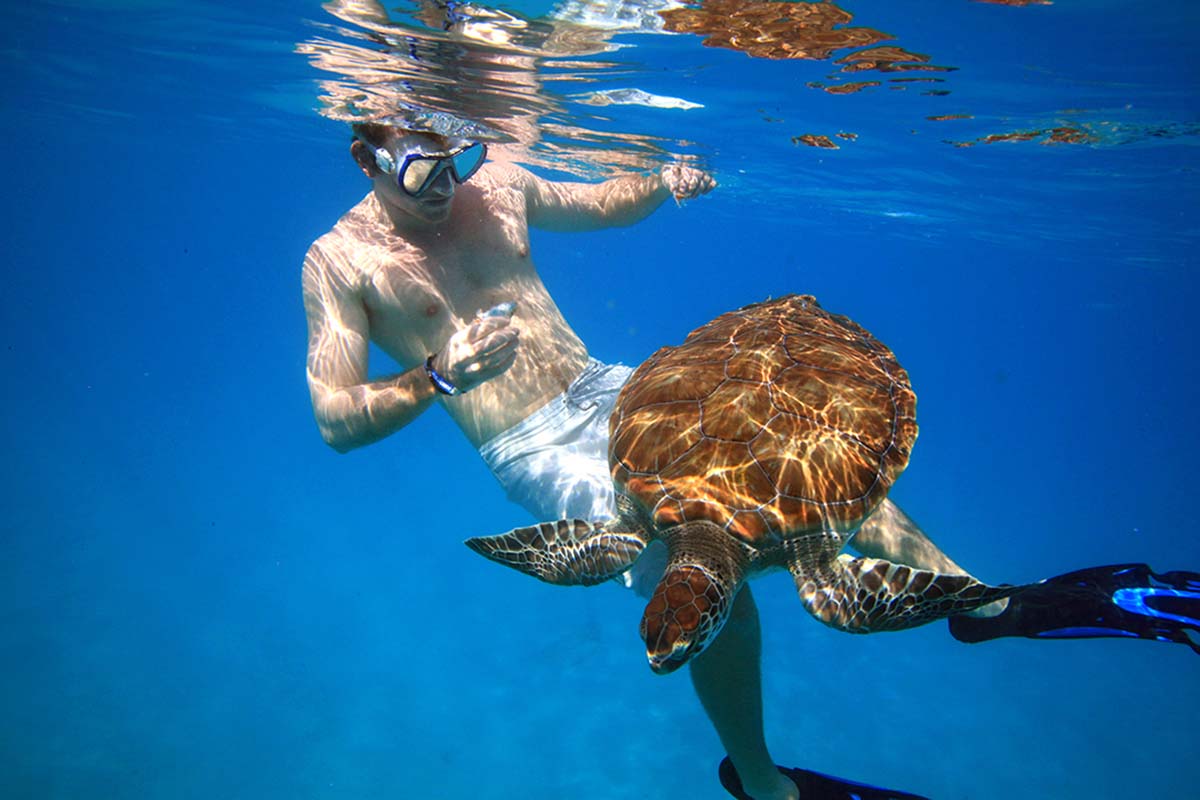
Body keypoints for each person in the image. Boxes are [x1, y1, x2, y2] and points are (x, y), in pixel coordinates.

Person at [305, 123, 1200, 800]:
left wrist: (661, 182)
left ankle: (980, 599)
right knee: (688, 562)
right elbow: (336, 422)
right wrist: (432, 376)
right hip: (531, 439)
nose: (445, 187)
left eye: (454, 161)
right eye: (423, 172)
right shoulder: (340, 263)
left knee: (797, 467)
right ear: (368, 158)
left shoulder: (489, 186)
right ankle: (764, 783)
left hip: (618, 390)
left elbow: (596, 203)